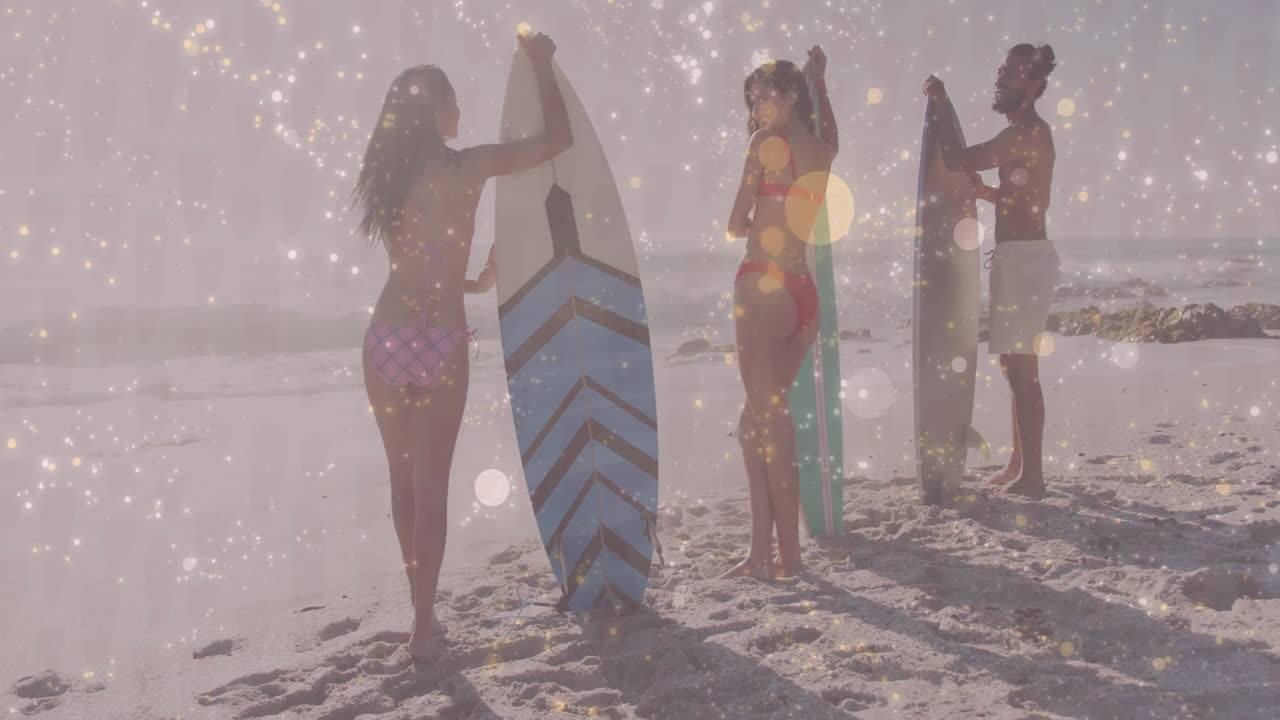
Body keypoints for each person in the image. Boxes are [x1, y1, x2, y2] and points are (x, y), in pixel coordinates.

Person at [351, 32, 571, 661]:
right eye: (453, 101)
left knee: (402, 484)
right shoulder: (466, 166)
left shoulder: (390, 176)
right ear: (436, 108)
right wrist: (542, 64)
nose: (460, 112)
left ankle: (421, 614)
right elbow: (557, 141)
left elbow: (415, 263)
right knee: (431, 489)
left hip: (386, 335)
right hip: (440, 340)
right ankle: (423, 626)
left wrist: (478, 282)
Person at [922, 43, 1060, 498]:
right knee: (1011, 366)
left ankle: (1034, 477)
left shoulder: (1026, 132)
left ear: (1034, 83)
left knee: (1023, 372)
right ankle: (1019, 463)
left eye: (1013, 73)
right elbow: (1024, 197)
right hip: (1016, 257)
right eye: (1001, 70)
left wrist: (941, 105)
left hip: (1024, 261)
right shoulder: (1026, 136)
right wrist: (988, 196)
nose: (1001, 79)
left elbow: (962, 157)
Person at [722, 47, 838, 579]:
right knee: (754, 426)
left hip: (763, 286)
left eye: (767, 95)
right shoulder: (819, 147)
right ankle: (760, 552)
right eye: (754, 98)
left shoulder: (762, 143)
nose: (759, 105)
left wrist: (753, 220)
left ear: (791, 98)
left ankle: (787, 558)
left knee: (772, 428)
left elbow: (735, 221)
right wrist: (820, 81)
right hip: (803, 298)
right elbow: (832, 141)